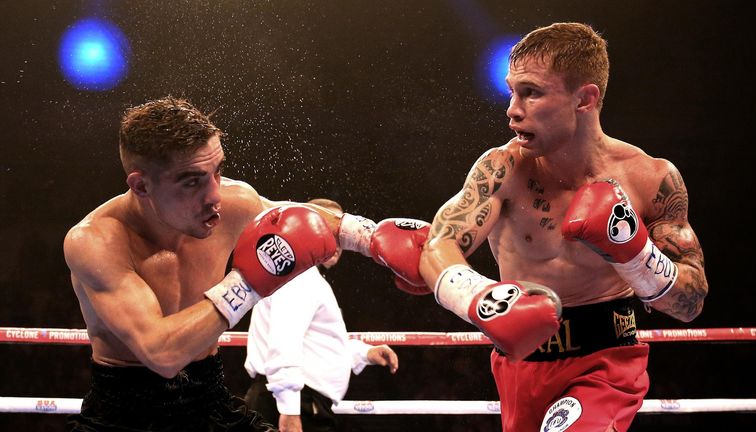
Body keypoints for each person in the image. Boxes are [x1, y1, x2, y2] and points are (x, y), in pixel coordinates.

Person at [62, 96, 424, 431]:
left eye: (218, 171)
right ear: (141, 186)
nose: (215, 195)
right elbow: (162, 352)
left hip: (210, 398)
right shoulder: (96, 242)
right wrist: (250, 280)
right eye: (192, 182)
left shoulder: (233, 204)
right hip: (123, 415)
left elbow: (303, 221)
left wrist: (373, 238)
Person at [416, 22, 709, 432]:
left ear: (585, 99)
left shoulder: (650, 179)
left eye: (531, 92)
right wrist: (482, 300)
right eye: (512, 91)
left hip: (607, 360)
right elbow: (438, 244)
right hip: (521, 365)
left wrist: (635, 253)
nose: (512, 109)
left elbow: (690, 302)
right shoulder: (503, 170)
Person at [243, 198, 399, 432]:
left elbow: (315, 343)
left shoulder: (305, 275)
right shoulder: (300, 277)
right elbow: (284, 342)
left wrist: (364, 353)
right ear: (308, 228)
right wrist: (290, 410)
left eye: (341, 233)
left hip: (298, 401)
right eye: (329, 230)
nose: (339, 242)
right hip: (294, 404)